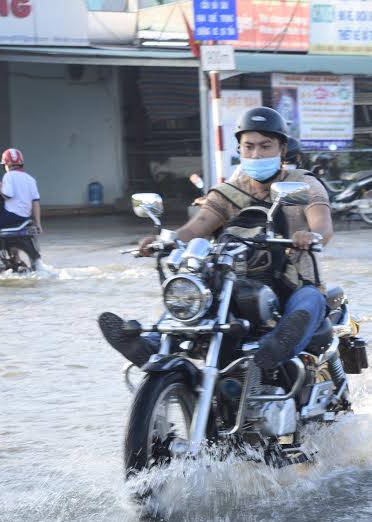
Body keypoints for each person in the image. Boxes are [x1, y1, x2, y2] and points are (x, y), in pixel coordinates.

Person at [100, 106, 335, 371]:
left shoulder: (304, 184)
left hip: (294, 283)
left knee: (310, 301)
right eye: (249, 147)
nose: (256, 154)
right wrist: (165, 240)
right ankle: (153, 344)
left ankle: (271, 351)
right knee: (192, 291)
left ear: (281, 149)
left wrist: (309, 235)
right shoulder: (228, 192)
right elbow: (197, 226)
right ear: (240, 151)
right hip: (236, 283)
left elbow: (323, 226)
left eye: (265, 146)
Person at [0, 148, 41, 270]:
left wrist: (0, 187)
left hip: (11, 215)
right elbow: (35, 202)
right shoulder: (30, 178)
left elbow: (7, 195)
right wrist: (38, 223)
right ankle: (15, 258)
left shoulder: (8, 176)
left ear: (8, 164)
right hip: (25, 217)